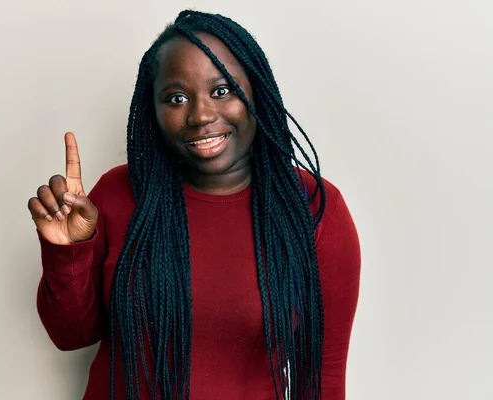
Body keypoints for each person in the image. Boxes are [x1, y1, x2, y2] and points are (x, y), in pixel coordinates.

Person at [28, 9, 360, 400]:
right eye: (177, 98)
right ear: (152, 111)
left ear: (257, 92)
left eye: (222, 91)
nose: (200, 115)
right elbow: (71, 337)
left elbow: (323, 375)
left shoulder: (314, 208)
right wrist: (67, 251)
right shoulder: (118, 194)